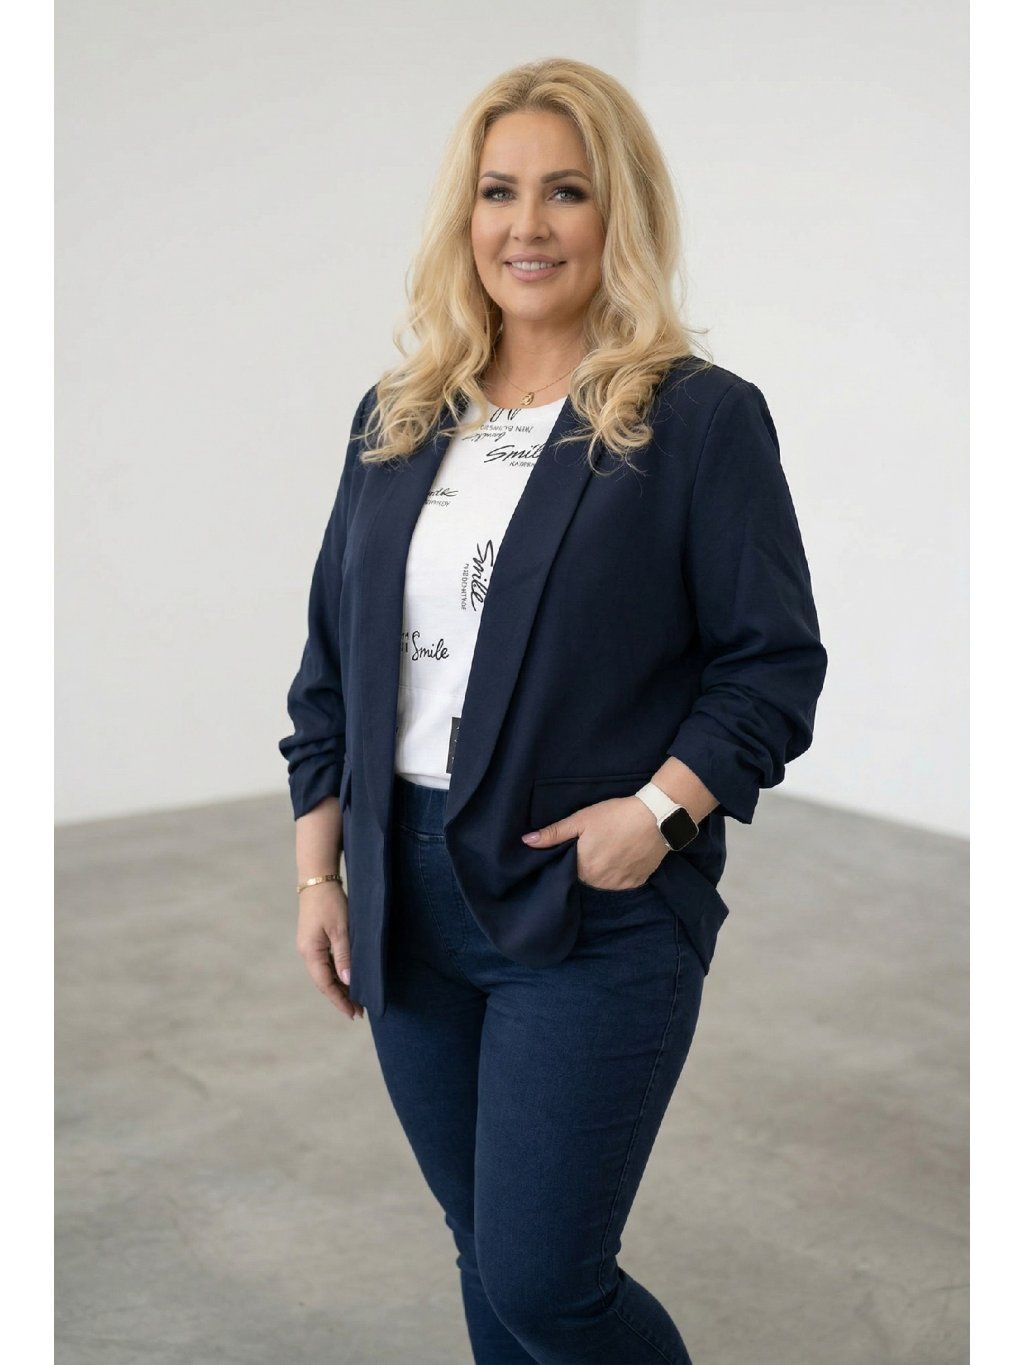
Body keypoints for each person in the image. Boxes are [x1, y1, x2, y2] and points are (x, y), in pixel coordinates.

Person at [279, 57, 827, 1365]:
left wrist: (658, 814)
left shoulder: (697, 421)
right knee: (485, 1253)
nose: (527, 225)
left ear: (618, 213)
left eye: (566, 192)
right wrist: (318, 873)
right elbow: (330, 671)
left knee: (545, 1284)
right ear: (464, 215)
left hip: (588, 906)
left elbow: (771, 664)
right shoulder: (398, 419)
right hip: (404, 898)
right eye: (500, 192)